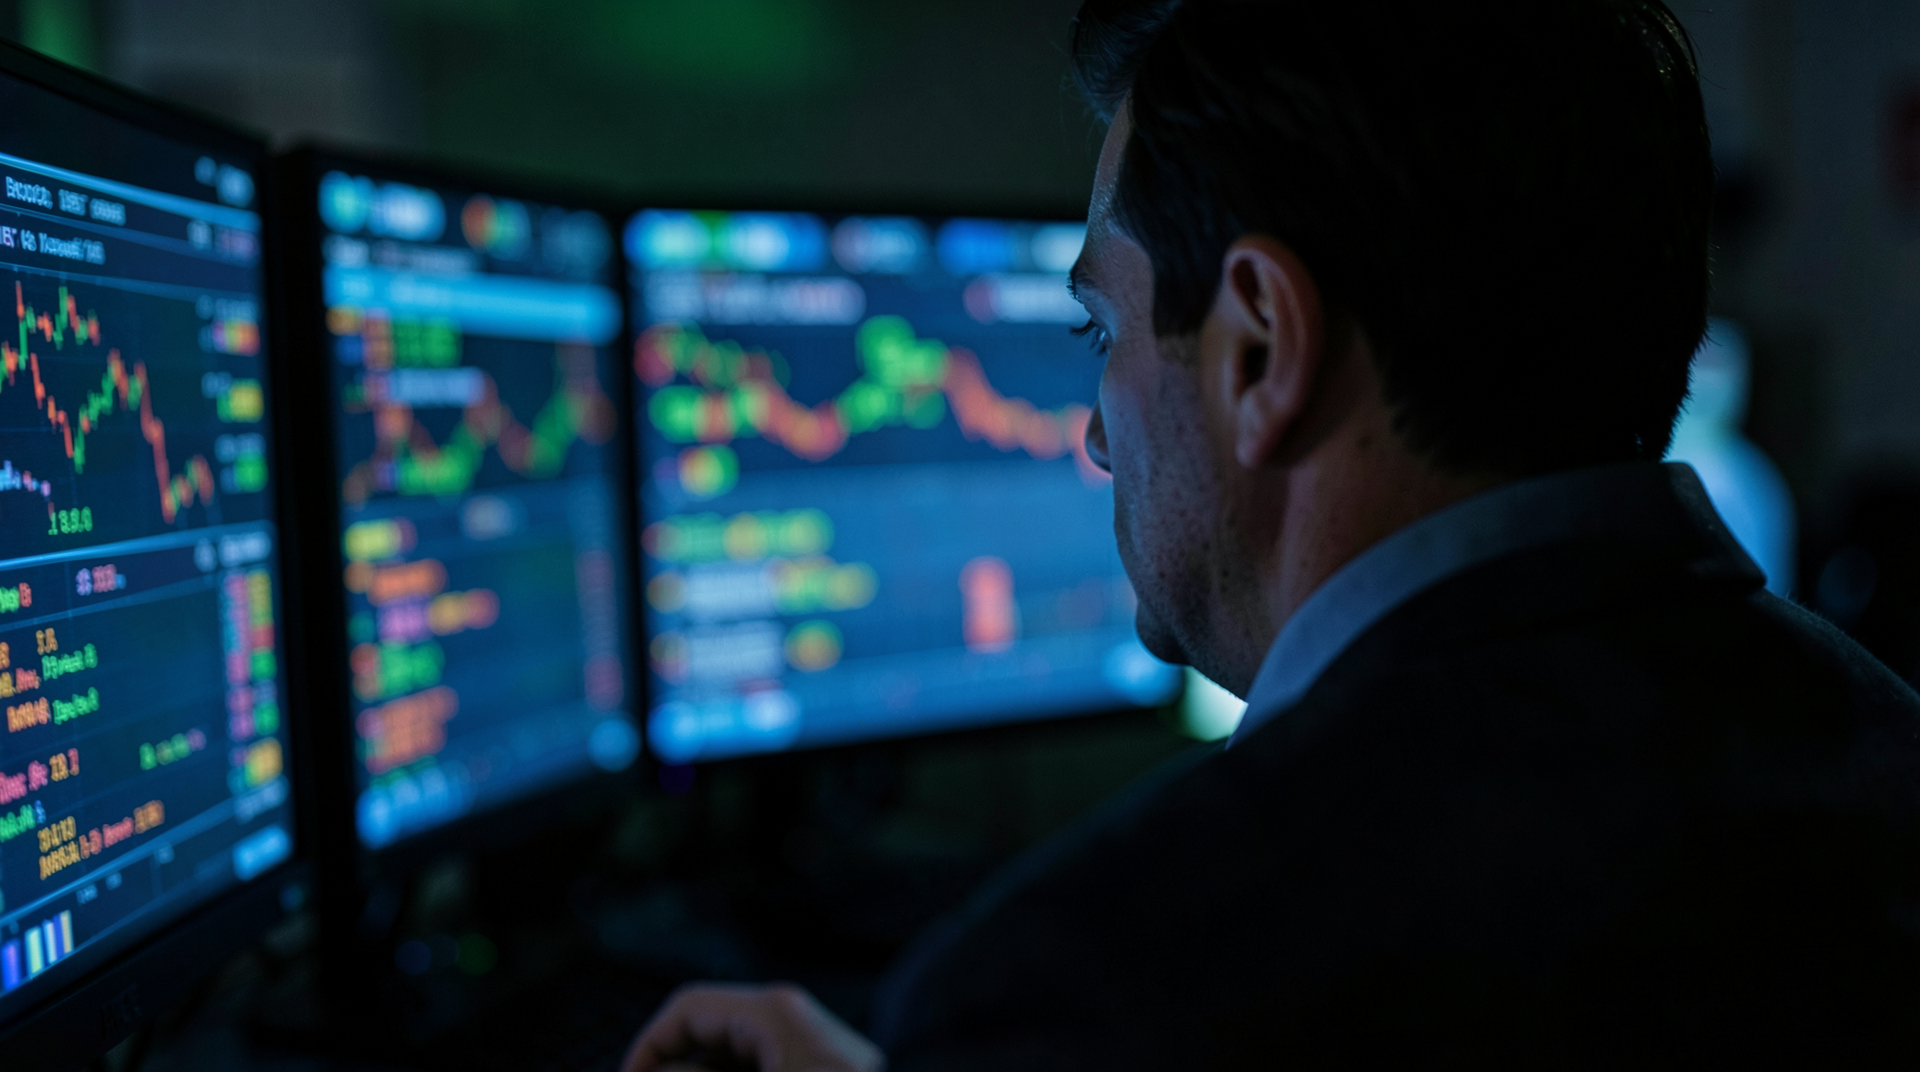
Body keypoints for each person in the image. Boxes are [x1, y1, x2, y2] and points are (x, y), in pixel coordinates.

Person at [625, 0, 1920, 1066]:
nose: (1091, 432)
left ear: (1259, 348)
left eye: (1102, 335)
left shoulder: (1101, 980)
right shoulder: (1884, 751)